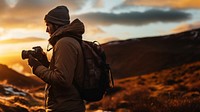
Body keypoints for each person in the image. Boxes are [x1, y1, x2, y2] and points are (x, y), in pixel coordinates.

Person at [27, 5, 85, 112]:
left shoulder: (65, 43)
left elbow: (62, 80)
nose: (46, 30)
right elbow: (65, 73)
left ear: (56, 25)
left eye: (48, 25)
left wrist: (37, 67)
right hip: (68, 105)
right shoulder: (67, 41)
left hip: (66, 107)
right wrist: (44, 63)